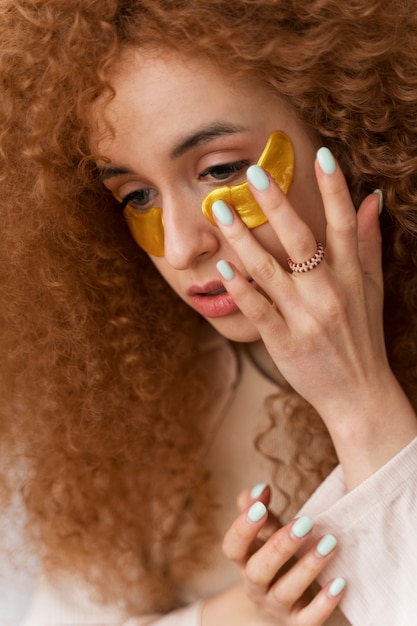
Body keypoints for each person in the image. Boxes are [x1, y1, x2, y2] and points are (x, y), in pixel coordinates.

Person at [1, 0, 417, 624]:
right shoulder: (121, 378)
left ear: (351, 134)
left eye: (221, 170)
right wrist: (246, 613)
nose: (179, 244)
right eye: (136, 194)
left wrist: (360, 404)